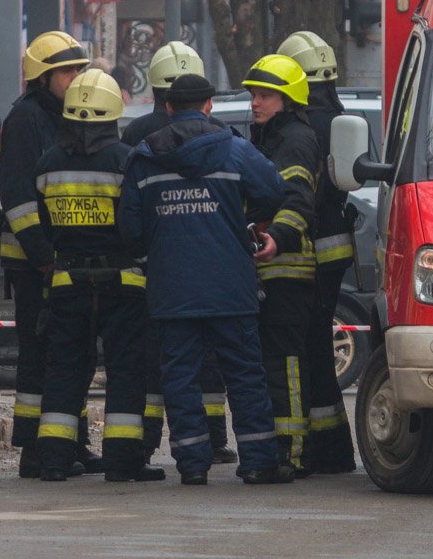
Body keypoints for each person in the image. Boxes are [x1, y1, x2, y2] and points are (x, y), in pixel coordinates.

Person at [119, 73, 293, 486]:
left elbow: (129, 229)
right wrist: (240, 215)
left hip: (171, 288)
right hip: (230, 285)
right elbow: (273, 190)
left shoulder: (144, 158)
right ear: (210, 104)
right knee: (245, 374)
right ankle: (258, 462)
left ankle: (192, 465)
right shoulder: (236, 151)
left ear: (167, 107)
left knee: (179, 376)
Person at [33, 70, 164, 483]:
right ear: (114, 113)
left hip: (67, 281)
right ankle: (123, 463)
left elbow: (46, 225)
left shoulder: (48, 162)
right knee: (126, 370)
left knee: (64, 369)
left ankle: (53, 461)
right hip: (123, 281)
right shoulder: (127, 160)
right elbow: (139, 224)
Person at [121, 41, 235, 465]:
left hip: (154, 268)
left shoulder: (134, 135)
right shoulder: (219, 133)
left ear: (155, 89)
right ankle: (213, 439)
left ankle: (147, 442)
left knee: (157, 363)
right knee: (209, 362)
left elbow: (129, 211)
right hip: (209, 267)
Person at [0, 31, 98, 479]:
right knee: (40, 354)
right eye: (68, 70)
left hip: (66, 259)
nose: (77, 77)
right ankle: (35, 450)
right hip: (35, 261)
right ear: (43, 77)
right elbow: (19, 198)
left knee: (73, 352)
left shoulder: (68, 115)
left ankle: (70, 441)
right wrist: (42, 255)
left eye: (80, 69)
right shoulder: (26, 120)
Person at [276, 31, 356, 474]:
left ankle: (312, 446)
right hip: (337, 249)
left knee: (304, 349)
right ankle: (333, 446)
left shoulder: (302, 130)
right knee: (319, 349)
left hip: (307, 250)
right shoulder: (343, 120)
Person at [241, 54, 320, 476]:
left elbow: (298, 200)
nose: (256, 102)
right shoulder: (267, 137)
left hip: (286, 267)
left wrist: (278, 238)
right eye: (254, 94)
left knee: (284, 360)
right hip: (268, 263)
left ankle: (289, 450)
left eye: (266, 95)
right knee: (271, 359)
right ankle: (279, 446)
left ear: (287, 100)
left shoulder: (294, 140)